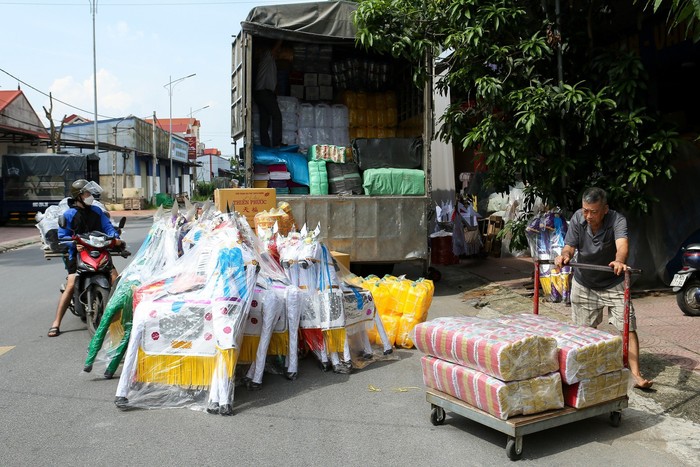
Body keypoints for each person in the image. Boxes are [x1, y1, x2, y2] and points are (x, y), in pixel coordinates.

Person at [555, 187, 653, 389]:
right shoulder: (577, 219)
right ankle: (584, 372)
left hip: (613, 282)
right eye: (585, 211)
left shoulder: (617, 220)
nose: (588, 216)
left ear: (605, 209)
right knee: (583, 331)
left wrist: (618, 261)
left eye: (594, 211)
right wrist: (564, 255)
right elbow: (569, 246)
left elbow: (622, 246)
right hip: (584, 282)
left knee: (627, 327)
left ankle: (635, 373)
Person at [47, 179, 123, 337]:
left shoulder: (97, 211)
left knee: (115, 278)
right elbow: (63, 236)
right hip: (77, 254)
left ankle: (122, 316)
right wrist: (73, 245)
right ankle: (56, 322)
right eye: (87, 193)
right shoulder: (69, 214)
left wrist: (115, 238)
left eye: (90, 193)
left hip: (99, 251)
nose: (90, 196)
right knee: (71, 283)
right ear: (78, 196)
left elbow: (108, 228)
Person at [253, 40, 283, 148]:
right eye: (278, 51)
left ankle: (265, 145)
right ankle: (277, 143)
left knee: (265, 120)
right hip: (264, 93)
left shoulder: (268, 61)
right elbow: (274, 50)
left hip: (260, 93)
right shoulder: (267, 56)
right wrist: (281, 38)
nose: (279, 53)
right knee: (277, 116)